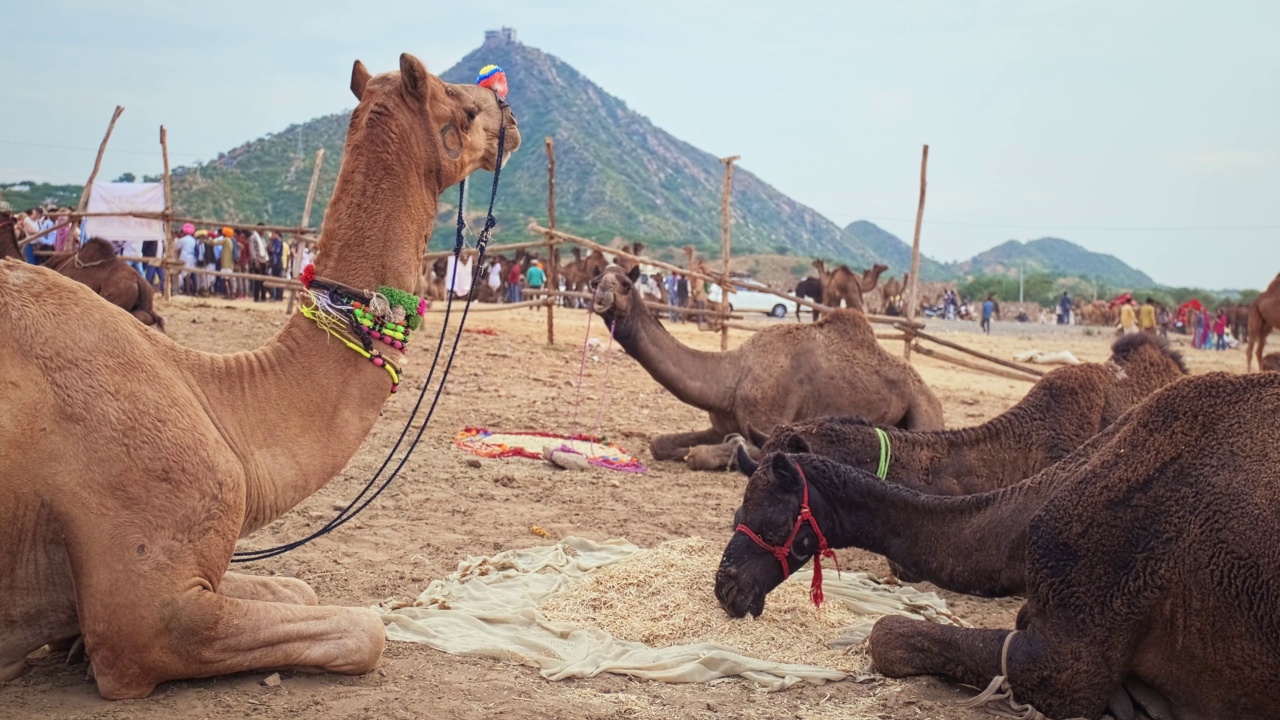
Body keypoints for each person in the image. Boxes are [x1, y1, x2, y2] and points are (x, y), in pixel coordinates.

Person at [175, 223, 199, 294]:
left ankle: (187, 291)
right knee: (190, 274)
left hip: (185, 257)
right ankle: (193, 291)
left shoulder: (183, 239)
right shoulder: (194, 240)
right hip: (192, 258)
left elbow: (176, 247)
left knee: (185, 275)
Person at [249, 225, 270, 302]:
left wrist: (266, 259)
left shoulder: (262, 239)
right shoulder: (253, 238)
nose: (263, 231)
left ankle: (263, 296)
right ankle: (256, 297)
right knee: (257, 280)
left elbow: (264, 250)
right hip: (258, 260)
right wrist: (255, 260)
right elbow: (252, 250)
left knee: (263, 280)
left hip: (263, 260)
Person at [268, 231, 285, 300]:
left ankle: (277, 296)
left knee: (276, 280)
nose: (272, 235)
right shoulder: (276, 242)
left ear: (277, 234)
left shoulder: (277, 242)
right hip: (276, 263)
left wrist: (270, 249)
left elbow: (275, 251)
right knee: (277, 280)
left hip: (277, 263)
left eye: (273, 234)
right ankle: (277, 296)